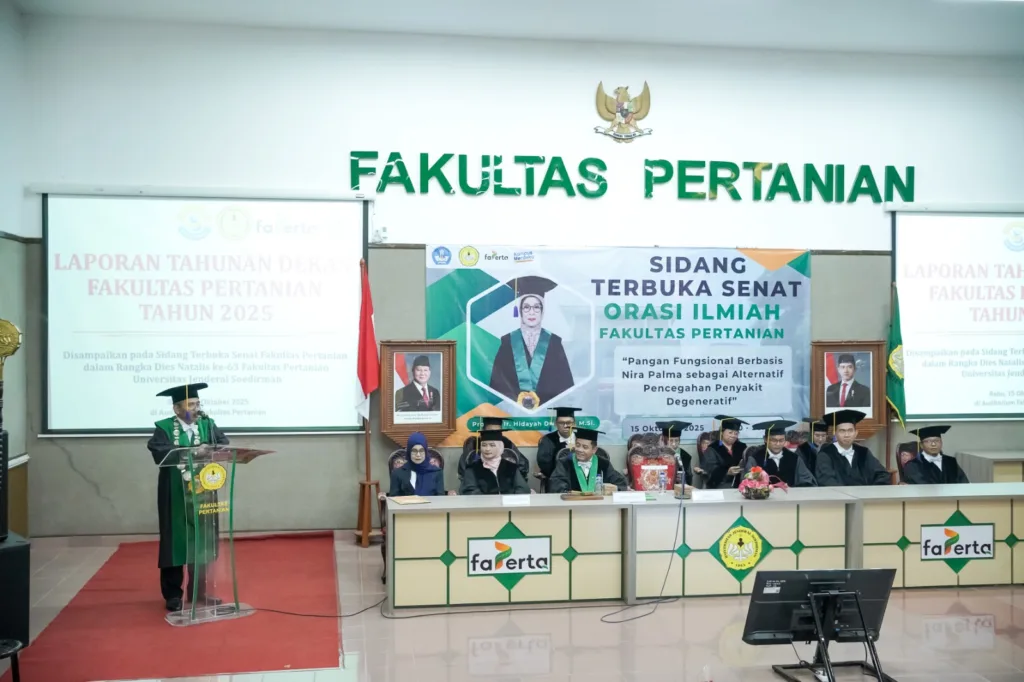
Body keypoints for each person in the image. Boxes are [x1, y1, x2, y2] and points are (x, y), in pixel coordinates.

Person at [146, 382, 229, 612]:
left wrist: (209, 448)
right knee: (175, 542)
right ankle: (173, 595)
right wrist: (191, 452)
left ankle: (199, 592)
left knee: (202, 541)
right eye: (190, 404)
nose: (196, 408)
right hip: (174, 494)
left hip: (203, 492)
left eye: (197, 403)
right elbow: (159, 451)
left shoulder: (207, 424)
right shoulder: (164, 428)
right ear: (177, 409)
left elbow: (224, 443)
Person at [488, 276, 574, 409]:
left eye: (536, 307)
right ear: (520, 311)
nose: (531, 313)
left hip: (547, 411)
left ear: (542, 311)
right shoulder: (507, 342)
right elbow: (498, 383)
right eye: (526, 307)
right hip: (513, 411)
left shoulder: (554, 342)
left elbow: (564, 383)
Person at [814, 410, 891, 486]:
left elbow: (883, 475)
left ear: (856, 433)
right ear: (835, 433)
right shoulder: (825, 454)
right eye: (842, 431)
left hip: (865, 493)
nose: (847, 435)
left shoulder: (863, 452)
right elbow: (826, 480)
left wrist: (871, 491)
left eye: (850, 431)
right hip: (838, 493)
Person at [548, 428, 629, 493]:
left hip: (599, 505)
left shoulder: (604, 464)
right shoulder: (564, 463)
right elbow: (556, 486)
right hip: (572, 505)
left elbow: (621, 484)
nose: (579, 450)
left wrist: (614, 488)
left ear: (594, 450)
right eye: (577, 445)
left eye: (585, 447)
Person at [743, 420, 817, 487]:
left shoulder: (794, 458)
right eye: (774, 440)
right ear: (765, 439)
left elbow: (807, 480)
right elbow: (747, 483)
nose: (778, 444)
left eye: (781, 440)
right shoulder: (755, 458)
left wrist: (794, 489)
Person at [460, 429, 531, 495]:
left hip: (509, 504)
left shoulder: (511, 467)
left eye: (492, 445)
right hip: (484, 504)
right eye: (484, 445)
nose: (487, 449)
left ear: (500, 447)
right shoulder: (472, 468)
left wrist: (510, 500)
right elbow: (470, 491)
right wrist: (491, 501)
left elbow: (523, 489)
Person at [386, 432, 455, 496]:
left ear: (425, 452)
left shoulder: (437, 472)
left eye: (421, 451)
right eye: (414, 451)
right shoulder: (397, 473)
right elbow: (393, 499)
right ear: (409, 452)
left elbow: (440, 498)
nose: (418, 455)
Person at [458, 416, 524, 480]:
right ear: (484, 430)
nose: (493, 433)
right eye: (490, 430)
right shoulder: (474, 444)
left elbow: (522, 465)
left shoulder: (507, 443)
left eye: (498, 431)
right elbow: (463, 470)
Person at [902, 425, 970, 484]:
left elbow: (964, 483)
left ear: (941, 443)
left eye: (937, 441)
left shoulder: (951, 461)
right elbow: (922, 488)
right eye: (928, 441)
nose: (933, 444)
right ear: (921, 445)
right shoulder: (912, 465)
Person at [537, 407, 580, 489]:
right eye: (561, 423)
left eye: (568, 423)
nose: (565, 426)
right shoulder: (548, 440)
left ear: (574, 423)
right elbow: (544, 463)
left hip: (581, 479)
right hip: (557, 480)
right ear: (556, 424)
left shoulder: (581, 438)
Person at [703, 416, 749, 489]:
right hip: (720, 486)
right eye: (730, 432)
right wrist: (727, 472)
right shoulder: (713, 448)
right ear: (722, 432)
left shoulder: (742, 447)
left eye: (736, 433)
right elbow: (710, 470)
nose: (733, 436)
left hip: (741, 486)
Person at [656, 420, 695, 486]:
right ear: (664, 440)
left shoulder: (685, 456)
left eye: (676, 440)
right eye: (671, 440)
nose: (674, 444)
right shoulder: (657, 454)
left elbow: (689, 478)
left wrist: (683, 479)